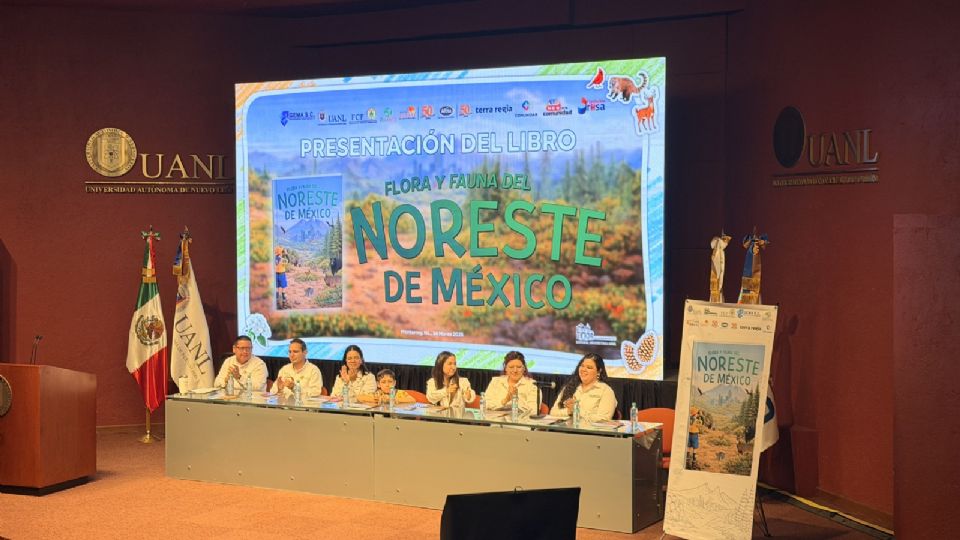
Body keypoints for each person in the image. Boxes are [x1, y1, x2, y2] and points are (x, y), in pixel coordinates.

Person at [550, 353, 617, 422]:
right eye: (582, 366)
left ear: (599, 371)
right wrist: (569, 411)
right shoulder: (569, 387)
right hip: (566, 428)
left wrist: (577, 410)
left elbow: (604, 419)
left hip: (591, 429)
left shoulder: (606, 390)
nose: (583, 369)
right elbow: (553, 412)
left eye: (589, 367)